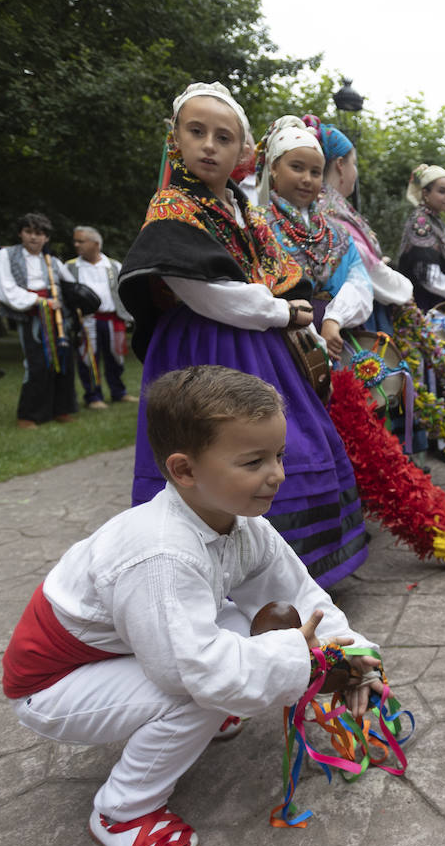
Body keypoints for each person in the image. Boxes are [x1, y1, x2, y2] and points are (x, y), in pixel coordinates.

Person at [1, 365, 382, 846]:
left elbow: (297, 594)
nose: (278, 474)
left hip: (123, 653)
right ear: (184, 470)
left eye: (278, 455)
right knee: (199, 688)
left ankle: (191, 723)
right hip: (50, 685)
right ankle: (123, 812)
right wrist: (303, 664)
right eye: (253, 461)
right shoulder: (161, 554)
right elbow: (190, 672)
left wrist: (351, 657)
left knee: (225, 633)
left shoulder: (243, 524)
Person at [118, 82, 368, 587]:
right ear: (176, 141)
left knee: (283, 444)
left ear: (241, 152)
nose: (209, 144)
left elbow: (278, 276)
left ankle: (292, 570)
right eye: (197, 132)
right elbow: (210, 293)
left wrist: (302, 328)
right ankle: (212, 574)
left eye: (223, 136)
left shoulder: (245, 213)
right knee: (219, 447)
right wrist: (286, 315)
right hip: (206, 348)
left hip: (261, 347)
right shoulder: (173, 209)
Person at [259, 115, 374, 355]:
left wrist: (334, 319)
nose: (306, 179)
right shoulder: (257, 225)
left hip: (337, 337)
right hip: (281, 340)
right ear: (274, 168)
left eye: (315, 172)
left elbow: (360, 283)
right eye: (296, 167)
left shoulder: (337, 233)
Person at [312, 118, 415, 335]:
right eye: (354, 163)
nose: (355, 172)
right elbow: (369, 271)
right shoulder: (330, 212)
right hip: (345, 317)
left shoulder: (332, 207)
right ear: (340, 165)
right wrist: (405, 289)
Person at [0, 212, 79, 428]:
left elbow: (71, 288)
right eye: (29, 232)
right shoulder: (6, 255)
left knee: (63, 360)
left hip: (58, 317)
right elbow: (4, 288)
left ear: (46, 237)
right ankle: (29, 415)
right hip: (31, 317)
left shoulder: (53, 262)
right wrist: (38, 301)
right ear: (21, 233)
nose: (34, 237)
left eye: (39, 233)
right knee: (37, 363)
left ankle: (61, 409)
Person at [67, 226, 137, 410]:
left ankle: (119, 392)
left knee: (116, 358)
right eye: (75, 241)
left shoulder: (114, 266)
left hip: (113, 319)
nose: (76, 245)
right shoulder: (71, 267)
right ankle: (93, 396)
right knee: (88, 358)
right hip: (87, 320)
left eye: (81, 241)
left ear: (95, 244)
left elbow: (125, 291)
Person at [397, 163, 445, 312]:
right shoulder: (420, 222)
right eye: (442, 192)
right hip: (425, 306)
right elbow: (429, 277)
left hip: (440, 302)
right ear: (425, 193)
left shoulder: (435, 222)